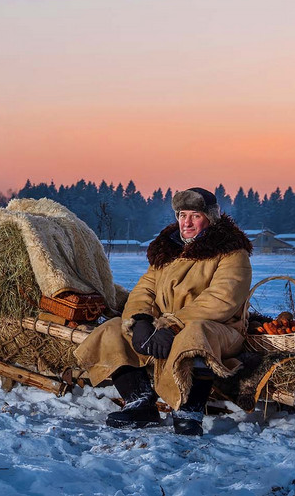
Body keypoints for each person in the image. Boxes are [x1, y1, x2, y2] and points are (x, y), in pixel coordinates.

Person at [74, 187, 252, 436]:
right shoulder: (168, 251)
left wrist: (173, 324)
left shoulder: (232, 253)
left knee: (195, 334)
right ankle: (140, 402)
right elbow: (144, 289)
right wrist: (142, 320)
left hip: (217, 329)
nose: (186, 222)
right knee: (112, 329)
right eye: (182, 215)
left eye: (195, 215)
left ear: (210, 217)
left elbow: (222, 299)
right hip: (163, 327)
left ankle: (189, 411)